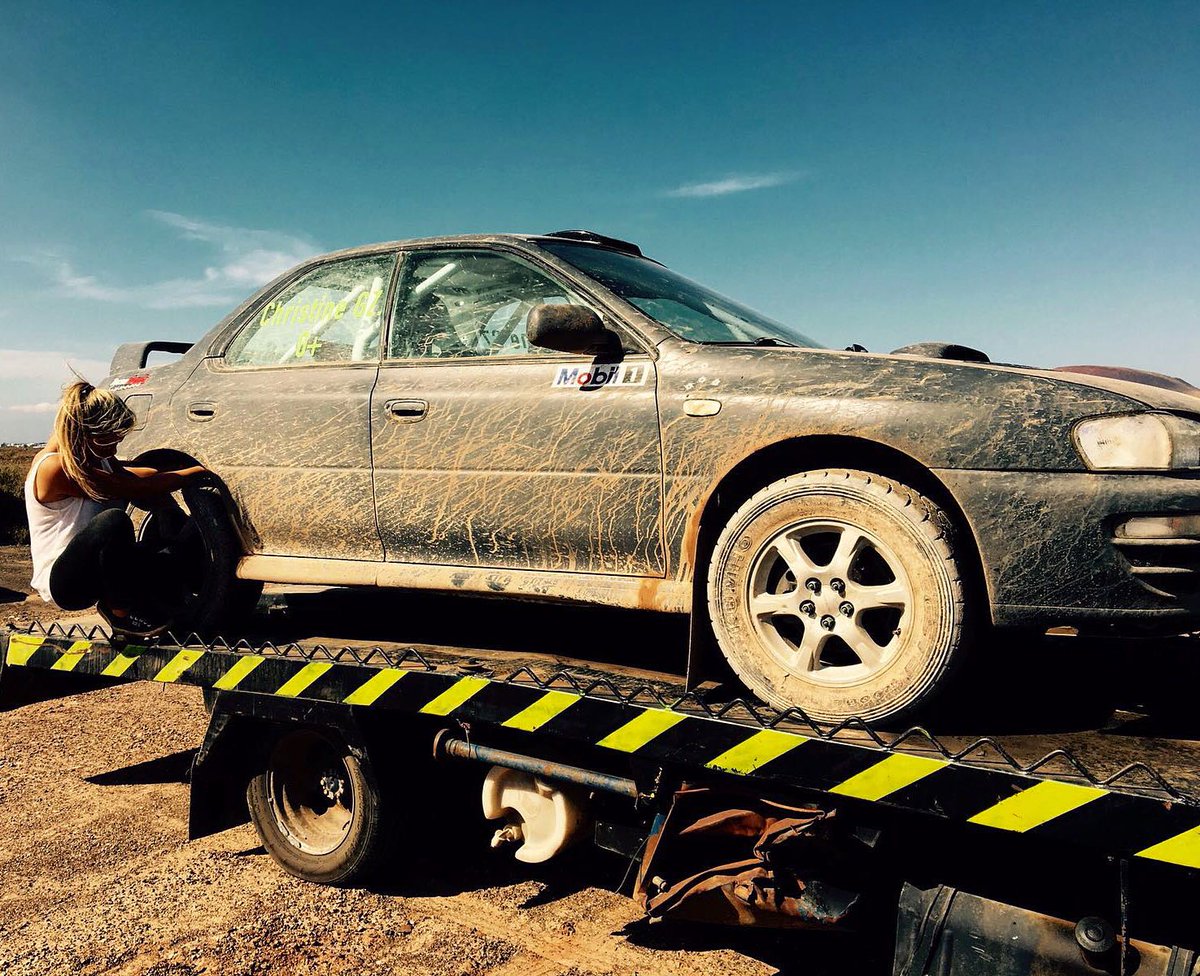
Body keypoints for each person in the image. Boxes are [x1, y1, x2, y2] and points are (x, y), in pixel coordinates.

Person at [24, 380, 208, 637]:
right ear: (84, 433)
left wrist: (170, 472)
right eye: (110, 439)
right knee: (113, 522)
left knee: (176, 544)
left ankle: (161, 600)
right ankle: (121, 615)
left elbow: (135, 476)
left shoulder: (99, 457)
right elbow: (129, 488)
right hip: (67, 583)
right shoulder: (53, 468)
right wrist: (197, 472)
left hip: (101, 574)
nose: (116, 447)